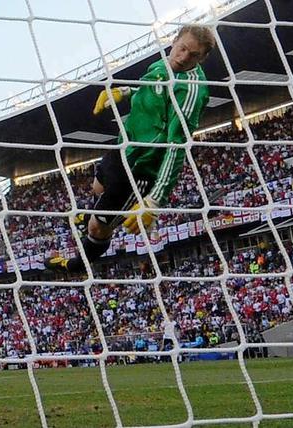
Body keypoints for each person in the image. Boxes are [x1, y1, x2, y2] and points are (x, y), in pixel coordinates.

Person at [49, 24, 215, 273]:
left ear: (202, 58)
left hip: (143, 166)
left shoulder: (191, 90)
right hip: (126, 144)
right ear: (174, 42)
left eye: (193, 55)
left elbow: (176, 146)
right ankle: (102, 212)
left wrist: (154, 200)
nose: (183, 58)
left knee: (97, 227)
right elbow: (153, 88)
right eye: (182, 49)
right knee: (98, 186)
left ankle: (78, 264)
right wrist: (124, 92)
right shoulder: (161, 65)